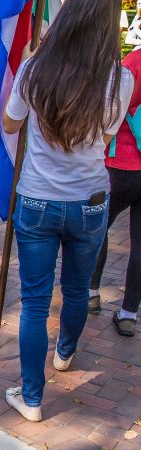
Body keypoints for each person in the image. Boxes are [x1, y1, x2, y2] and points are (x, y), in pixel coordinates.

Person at [1, 0, 133, 421]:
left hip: (38, 199)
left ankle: (32, 397)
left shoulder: (36, 68)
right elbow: (108, 135)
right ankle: (66, 350)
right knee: (76, 290)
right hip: (90, 199)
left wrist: (26, 67)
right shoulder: (121, 79)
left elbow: (10, 124)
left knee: (34, 302)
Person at [89, 45, 141, 337]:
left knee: (98, 227)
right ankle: (129, 313)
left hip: (121, 162)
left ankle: (91, 291)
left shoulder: (134, 62)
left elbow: (113, 111)